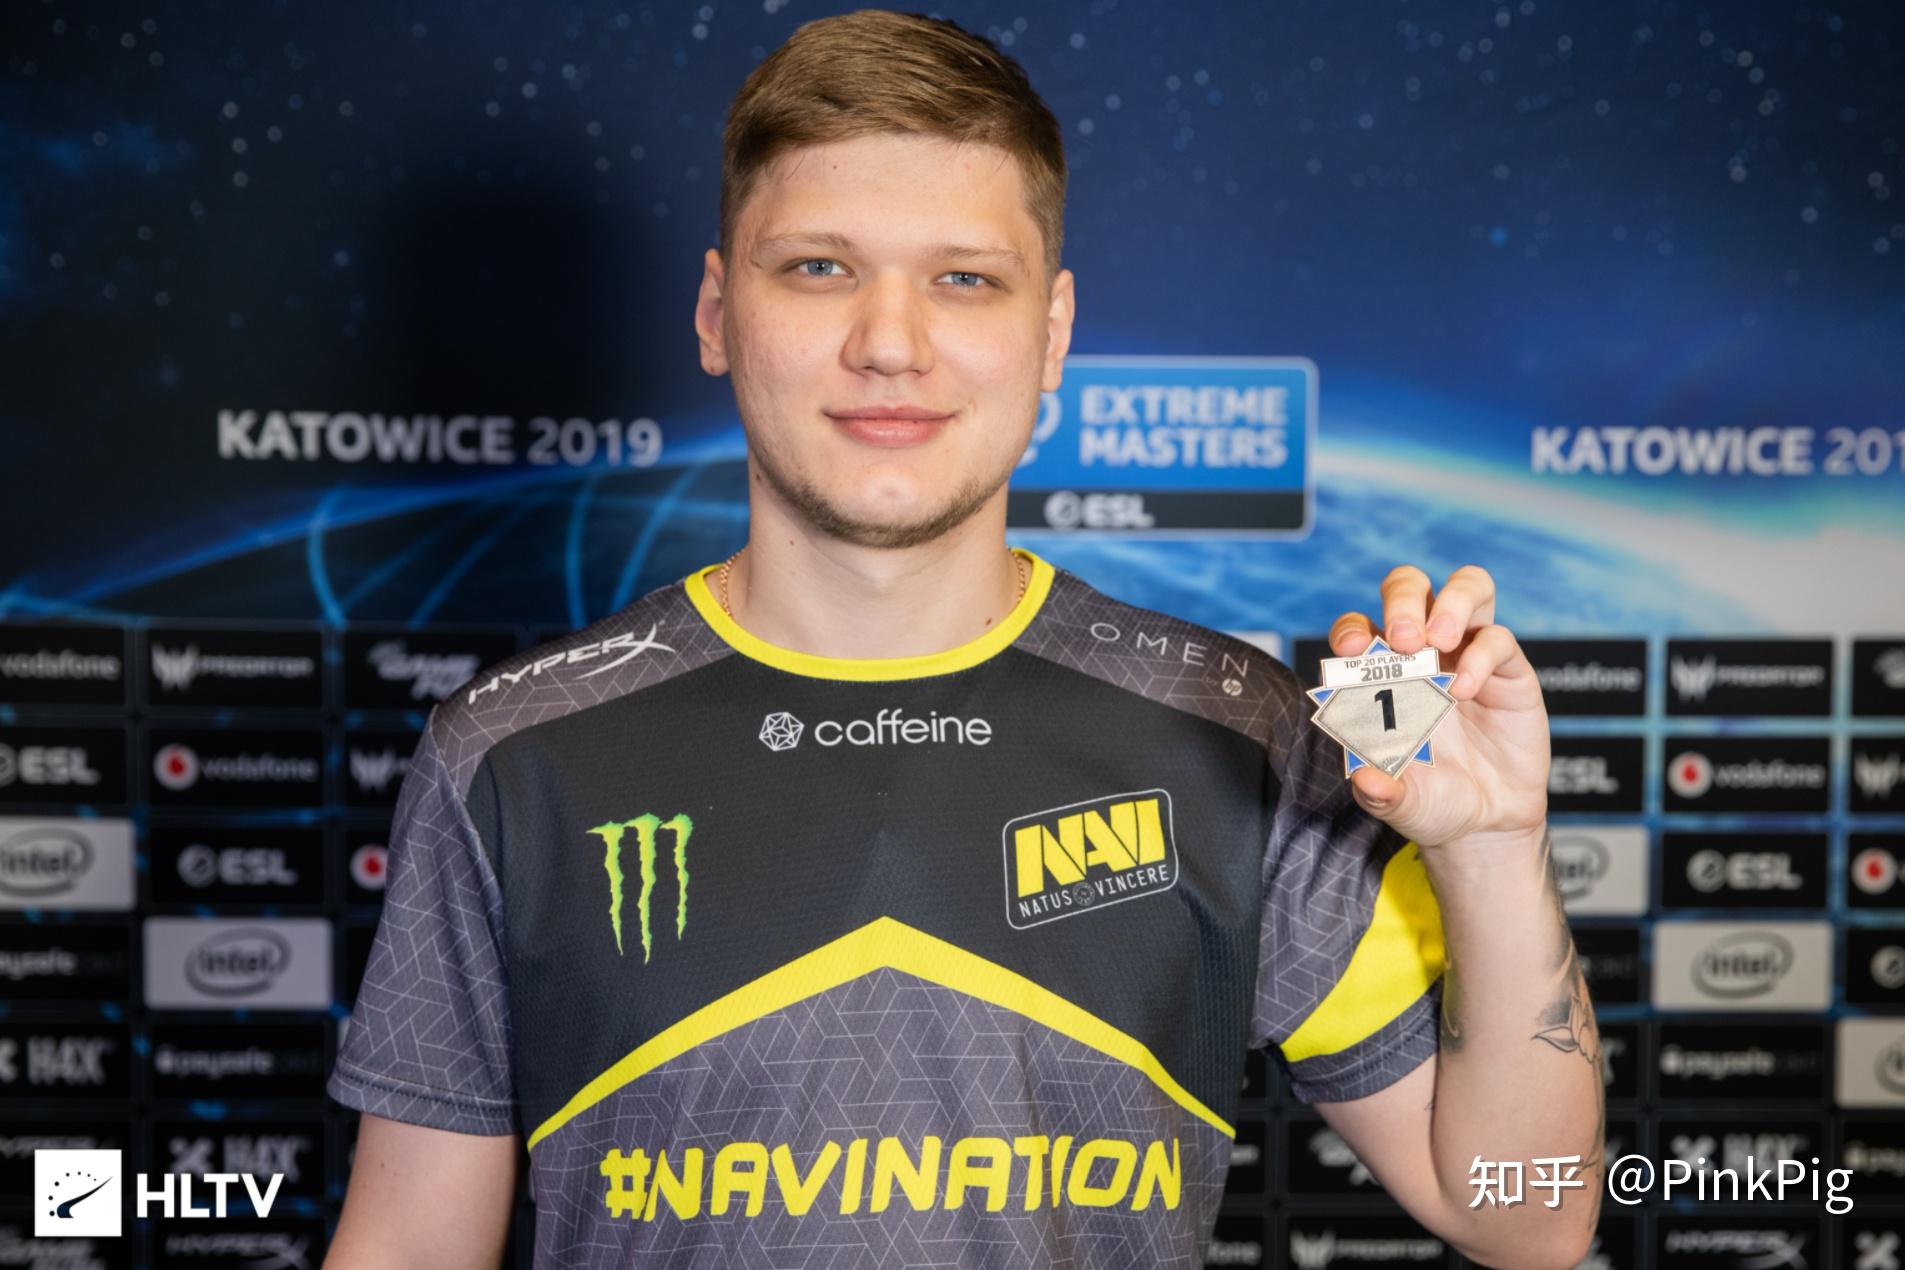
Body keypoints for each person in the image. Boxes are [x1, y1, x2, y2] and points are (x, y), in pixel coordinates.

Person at [323, 10, 1602, 1268]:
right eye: (818, 268)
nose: (890, 344)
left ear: (1050, 334)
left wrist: (1495, 849)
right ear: (716, 314)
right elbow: (408, 1247)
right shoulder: (510, 753)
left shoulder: (1238, 731)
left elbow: (1527, 1215)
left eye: (964, 279)